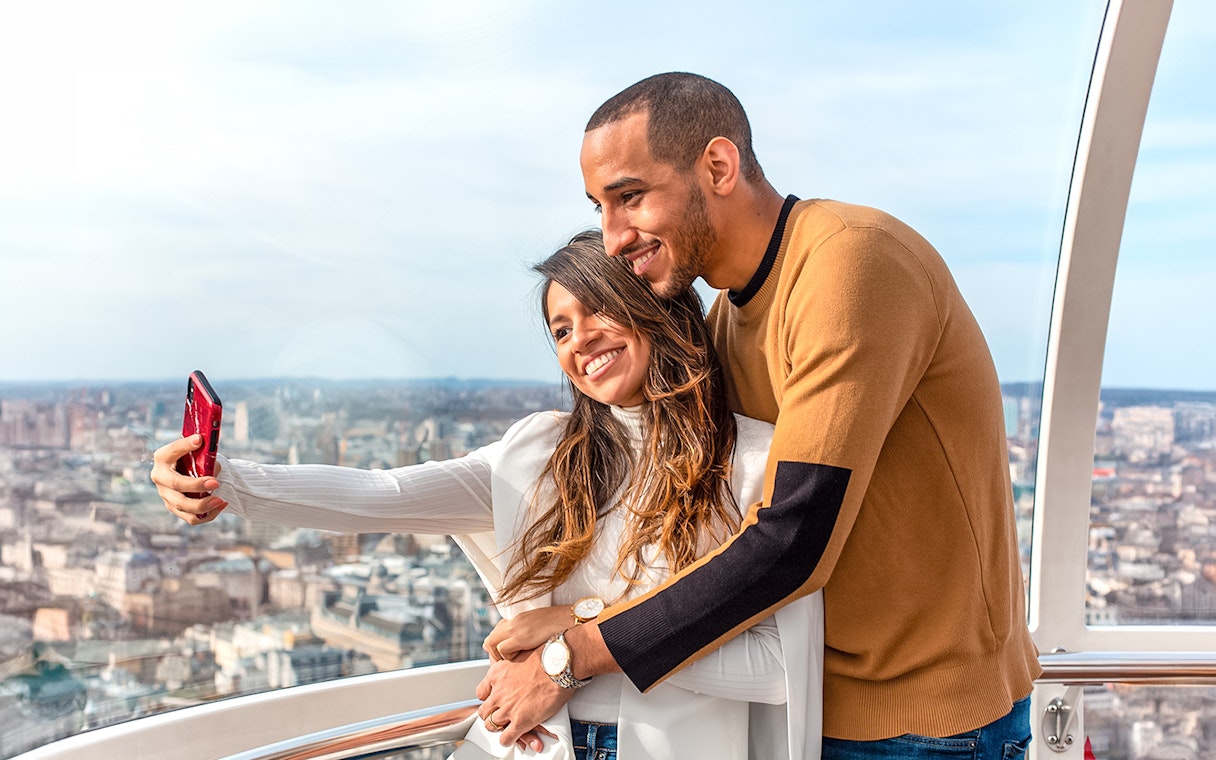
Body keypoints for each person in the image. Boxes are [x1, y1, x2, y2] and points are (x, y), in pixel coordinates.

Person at [477, 73, 1041, 760]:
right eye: (600, 207)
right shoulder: (729, 320)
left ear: (718, 166)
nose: (614, 237)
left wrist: (573, 652)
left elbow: (789, 539)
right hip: (805, 711)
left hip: (927, 727)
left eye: (631, 197)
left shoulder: (851, 264)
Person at [151, 230, 823, 760]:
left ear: (655, 307)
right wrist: (225, 483)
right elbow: (380, 496)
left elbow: (777, 670)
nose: (580, 338)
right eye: (560, 328)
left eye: (600, 309)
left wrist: (574, 633)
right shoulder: (537, 456)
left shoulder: (757, 463)